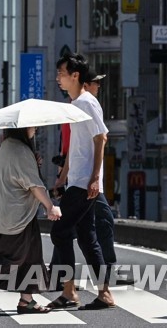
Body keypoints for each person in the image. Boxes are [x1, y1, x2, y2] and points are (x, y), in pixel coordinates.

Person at [49, 53, 115, 310]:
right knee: (87, 237)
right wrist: (62, 177)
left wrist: (94, 179)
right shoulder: (75, 104)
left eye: (62, 73)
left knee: (60, 231)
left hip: (85, 183)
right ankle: (104, 294)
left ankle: (69, 291)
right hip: (77, 180)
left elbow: (101, 138)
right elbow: (76, 147)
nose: (58, 78)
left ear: (75, 75)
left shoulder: (87, 102)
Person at [0, 126, 61, 314]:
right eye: (32, 126)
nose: (35, 129)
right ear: (22, 128)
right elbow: (34, 185)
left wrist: (33, 164)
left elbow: (18, 176)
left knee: (31, 257)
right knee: (14, 258)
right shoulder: (20, 149)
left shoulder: (7, 146)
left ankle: (26, 301)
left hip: (10, 212)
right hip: (17, 216)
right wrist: (50, 206)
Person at [80, 73, 117, 269]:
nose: (99, 86)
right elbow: (101, 138)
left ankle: (58, 272)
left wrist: (62, 176)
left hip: (81, 178)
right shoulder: (88, 102)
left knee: (69, 227)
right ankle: (108, 268)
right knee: (104, 221)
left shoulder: (78, 103)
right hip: (88, 179)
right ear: (86, 83)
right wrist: (94, 177)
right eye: (96, 82)